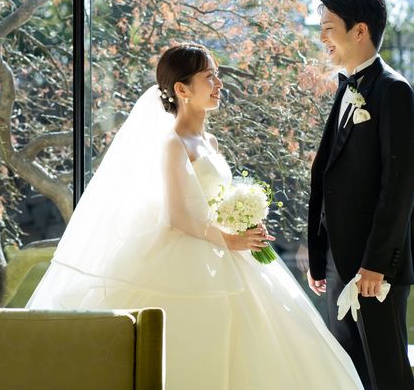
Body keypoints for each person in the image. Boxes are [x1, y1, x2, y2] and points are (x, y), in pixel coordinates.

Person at [28, 43, 363, 389]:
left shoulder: (210, 142)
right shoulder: (173, 144)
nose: (219, 83)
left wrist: (243, 222)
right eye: (209, 77)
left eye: (216, 75)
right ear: (182, 89)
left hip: (223, 251)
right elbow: (176, 215)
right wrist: (228, 239)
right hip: (188, 254)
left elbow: (213, 202)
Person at [307, 0, 414, 390]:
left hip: (373, 270)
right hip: (339, 264)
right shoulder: (345, 88)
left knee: (387, 377)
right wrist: (319, 254)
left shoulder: (393, 90)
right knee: (348, 376)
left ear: (360, 30)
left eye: (328, 27)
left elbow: (399, 186)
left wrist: (377, 263)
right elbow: (329, 174)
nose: (322, 37)